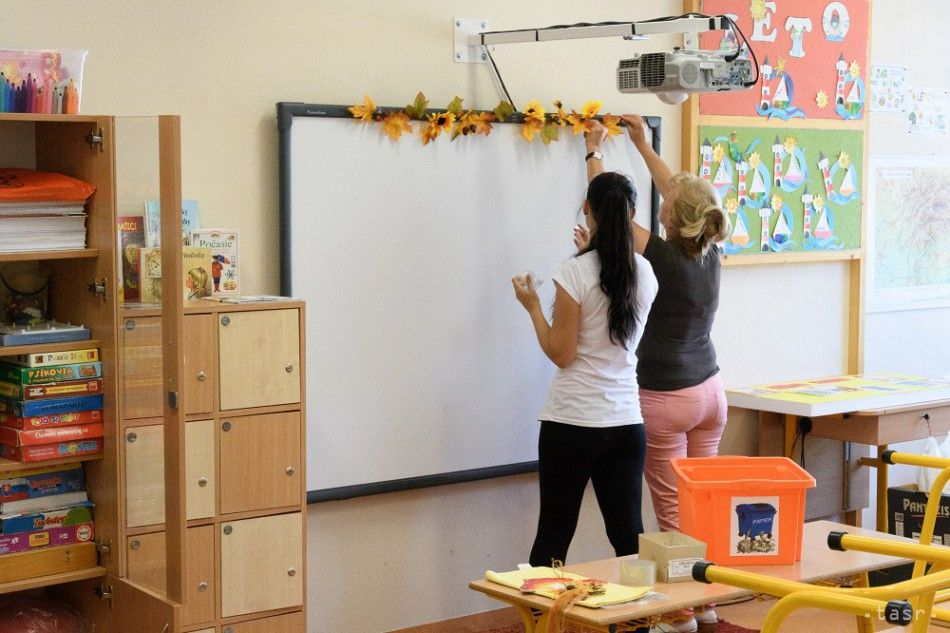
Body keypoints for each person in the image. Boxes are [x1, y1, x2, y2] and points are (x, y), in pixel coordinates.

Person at [581, 117, 729, 632]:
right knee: (700, 506)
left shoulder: (661, 257)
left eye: (665, 203)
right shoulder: (710, 249)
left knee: (671, 512)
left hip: (667, 398)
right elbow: (681, 193)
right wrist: (643, 144)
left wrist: (593, 153)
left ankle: (680, 612)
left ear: (671, 219)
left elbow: (611, 213)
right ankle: (705, 601)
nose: (661, 200)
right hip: (711, 393)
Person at [512, 169, 658, 568]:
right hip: (626, 423)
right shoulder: (644, 272)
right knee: (629, 538)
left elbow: (561, 353)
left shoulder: (575, 272)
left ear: (586, 209)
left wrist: (533, 308)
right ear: (631, 213)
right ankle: (638, 625)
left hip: (572, 423)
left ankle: (543, 627)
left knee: (554, 536)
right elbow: (610, 275)